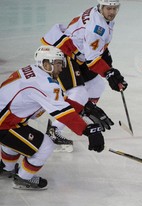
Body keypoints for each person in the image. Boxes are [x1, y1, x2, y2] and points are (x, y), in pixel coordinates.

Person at [0, 45, 108, 190]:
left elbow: (60, 101)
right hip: (4, 125)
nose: (62, 68)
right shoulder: (45, 84)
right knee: (45, 145)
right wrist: (89, 131)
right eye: (58, 63)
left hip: (8, 121)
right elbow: (64, 113)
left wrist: (86, 110)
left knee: (18, 139)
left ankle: (7, 168)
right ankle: (23, 178)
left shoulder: (34, 70)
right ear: (46, 64)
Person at [40, 0, 127, 151]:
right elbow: (92, 60)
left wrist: (110, 71)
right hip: (60, 52)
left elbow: (98, 49)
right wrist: (109, 73)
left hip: (76, 53)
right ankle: (54, 130)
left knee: (97, 85)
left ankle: (80, 114)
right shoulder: (97, 27)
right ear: (101, 7)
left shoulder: (101, 16)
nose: (112, 12)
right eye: (108, 8)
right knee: (77, 93)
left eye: (114, 8)